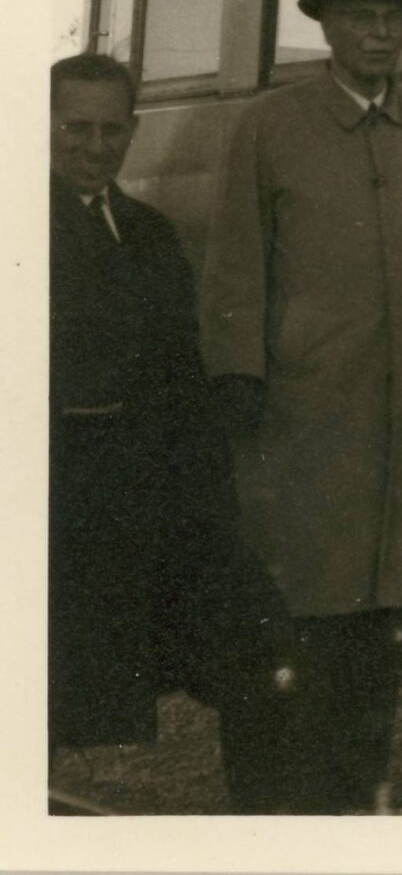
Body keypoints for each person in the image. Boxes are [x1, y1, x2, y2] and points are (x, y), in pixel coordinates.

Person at [198, 0, 402, 813]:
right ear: (326, 27)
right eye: (361, 16)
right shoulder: (270, 125)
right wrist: (237, 372)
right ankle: (281, 793)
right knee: (299, 602)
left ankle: (359, 780)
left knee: (389, 607)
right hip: (307, 416)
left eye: (392, 18)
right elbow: (234, 262)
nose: (379, 32)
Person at [49, 54, 277, 767]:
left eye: (112, 129)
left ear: (135, 131)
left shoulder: (147, 231)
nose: (95, 146)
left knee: (247, 638)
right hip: (49, 502)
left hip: (131, 497)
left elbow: (178, 367)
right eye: (75, 127)